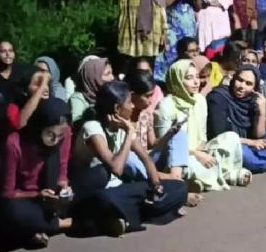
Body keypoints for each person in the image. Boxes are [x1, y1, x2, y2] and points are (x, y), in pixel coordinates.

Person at [70, 81, 188, 236]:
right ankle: (132, 215)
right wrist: (128, 133)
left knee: (179, 187)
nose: (133, 106)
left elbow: (146, 158)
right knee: (107, 197)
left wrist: (156, 187)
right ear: (117, 109)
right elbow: (116, 168)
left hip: (120, 189)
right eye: (129, 103)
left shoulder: (123, 127)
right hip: (95, 191)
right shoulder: (93, 129)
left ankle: (125, 217)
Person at [155, 60, 249, 191]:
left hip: (200, 151)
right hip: (178, 158)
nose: (196, 82)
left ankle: (201, 180)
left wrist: (204, 152)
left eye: (197, 77)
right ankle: (224, 175)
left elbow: (202, 136)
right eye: (189, 78)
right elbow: (165, 145)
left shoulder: (200, 100)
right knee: (190, 164)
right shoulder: (166, 105)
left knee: (231, 137)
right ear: (177, 80)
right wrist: (196, 155)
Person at [0, 98, 74, 248]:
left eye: (60, 135)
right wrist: (38, 195)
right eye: (51, 134)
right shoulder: (14, 144)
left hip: (52, 196)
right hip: (28, 198)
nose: (56, 140)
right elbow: (8, 192)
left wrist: (63, 186)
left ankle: (38, 228)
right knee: (11, 212)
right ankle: (63, 224)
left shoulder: (65, 134)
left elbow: (63, 166)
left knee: (97, 176)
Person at [207, 66, 266, 174]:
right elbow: (219, 136)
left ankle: (253, 162)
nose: (242, 86)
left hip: (249, 144)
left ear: (254, 87)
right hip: (227, 144)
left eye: (248, 83)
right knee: (242, 153)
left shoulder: (251, 99)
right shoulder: (219, 97)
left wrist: (261, 111)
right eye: (240, 80)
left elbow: (259, 135)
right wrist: (251, 142)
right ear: (234, 79)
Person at [153, 0, 202, 81]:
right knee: (170, 56)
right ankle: (167, 84)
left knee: (187, 58)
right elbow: (161, 4)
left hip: (188, 29)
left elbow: (198, 8)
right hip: (172, 28)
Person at [69, 56, 114, 123]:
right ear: (93, 77)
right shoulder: (78, 99)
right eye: (107, 74)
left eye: (111, 73)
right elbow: (77, 125)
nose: (112, 78)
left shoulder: (108, 94)